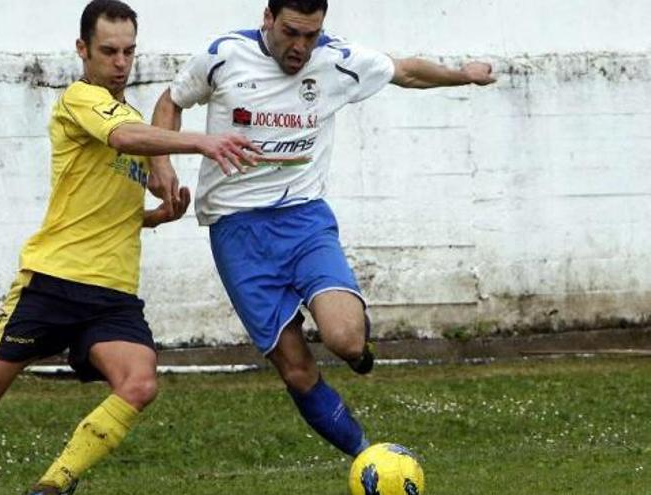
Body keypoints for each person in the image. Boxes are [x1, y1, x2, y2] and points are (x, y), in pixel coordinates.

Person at [0, 1, 258, 494]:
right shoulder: (81, 99)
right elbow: (125, 134)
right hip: (51, 282)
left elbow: (113, 208)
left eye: (129, 51)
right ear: (82, 50)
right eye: (108, 50)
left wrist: (156, 216)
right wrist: (203, 142)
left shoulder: (131, 118)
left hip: (111, 295)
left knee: (140, 383)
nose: (121, 62)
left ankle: (53, 485)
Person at [152, 0, 495, 458]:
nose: (300, 47)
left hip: (303, 219)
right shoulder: (223, 56)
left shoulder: (337, 61)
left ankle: (359, 351)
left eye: (310, 36)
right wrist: (162, 167)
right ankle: (368, 456)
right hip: (236, 233)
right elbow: (170, 102)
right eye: (291, 33)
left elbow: (404, 71)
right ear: (267, 19)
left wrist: (463, 75)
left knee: (345, 339)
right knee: (296, 368)